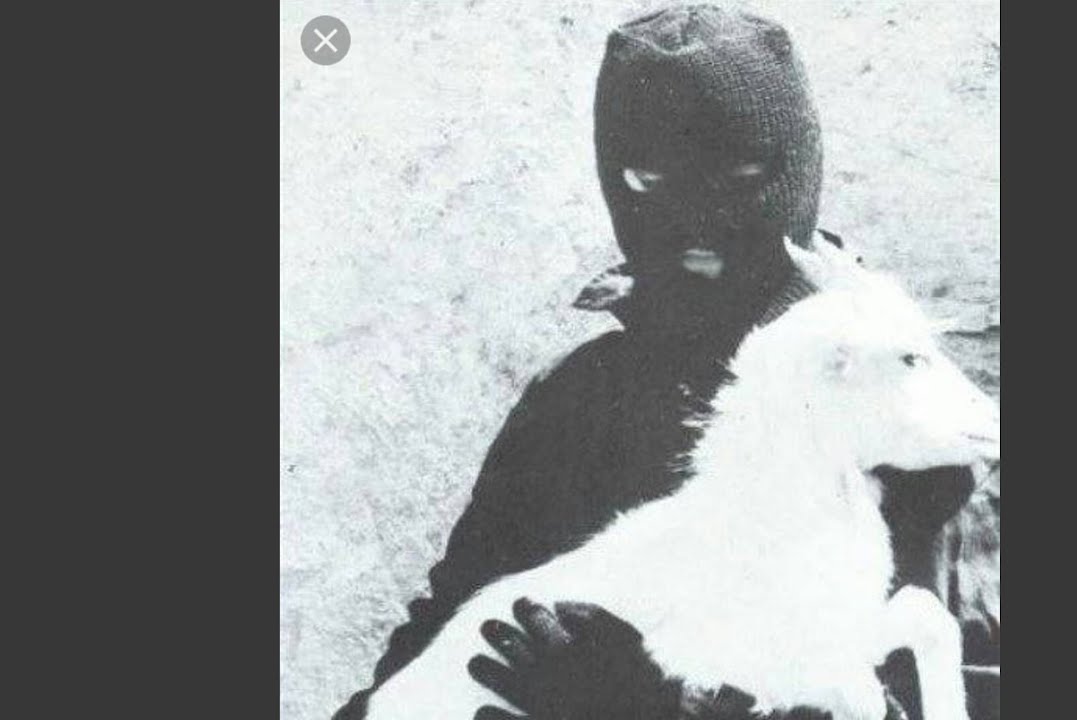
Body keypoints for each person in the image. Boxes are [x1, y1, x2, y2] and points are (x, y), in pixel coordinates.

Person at [333, 6, 995, 720]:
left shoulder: (909, 420)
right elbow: (443, 628)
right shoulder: (581, 399)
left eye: (739, 177)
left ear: (796, 174)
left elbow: (952, 688)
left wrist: (657, 702)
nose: (695, 221)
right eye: (649, 180)